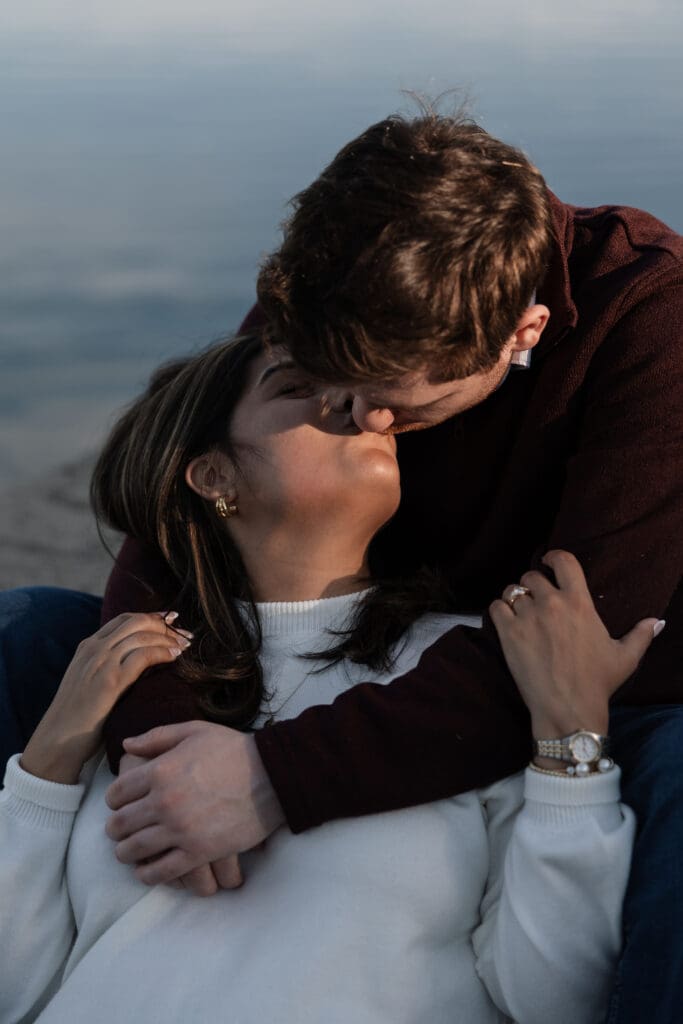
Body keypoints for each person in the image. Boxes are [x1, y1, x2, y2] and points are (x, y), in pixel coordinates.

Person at [1, 108, 682, 1020]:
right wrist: (167, 768)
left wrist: (271, 778)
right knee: (31, 627)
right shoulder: (339, 302)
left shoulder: (650, 321)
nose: (349, 414)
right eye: (313, 381)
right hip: (321, 636)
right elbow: (165, 554)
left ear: (524, 333)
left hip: (570, 684)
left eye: (391, 407)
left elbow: (574, 634)